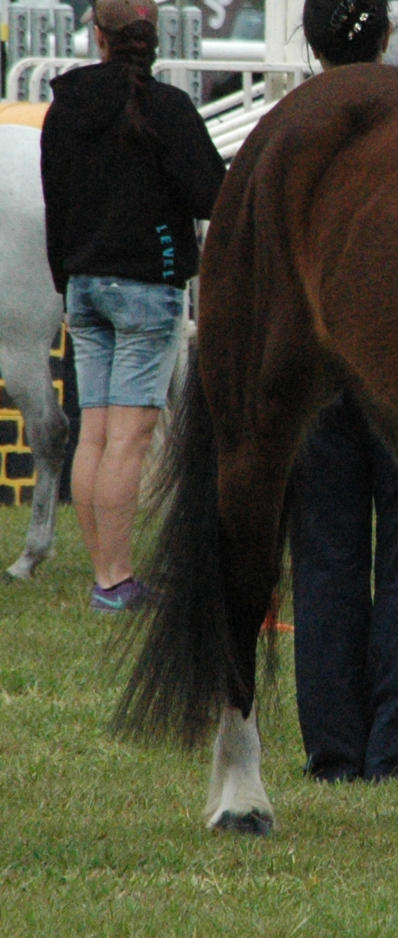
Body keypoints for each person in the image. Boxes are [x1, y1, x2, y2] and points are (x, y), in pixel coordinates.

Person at [288, 0, 398, 784]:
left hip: (313, 359)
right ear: (388, 36)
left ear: (310, 42)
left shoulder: (289, 129)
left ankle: (333, 748)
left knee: (324, 553)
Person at [40, 0, 224, 612]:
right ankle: (117, 582)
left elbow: (55, 202)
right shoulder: (166, 109)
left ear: (98, 36)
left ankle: (107, 576)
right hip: (147, 286)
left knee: (93, 433)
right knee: (128, 439)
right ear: (152, 39)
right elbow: (210, 194)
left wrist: (67, 276)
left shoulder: (63, 109)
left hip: (84, 284)